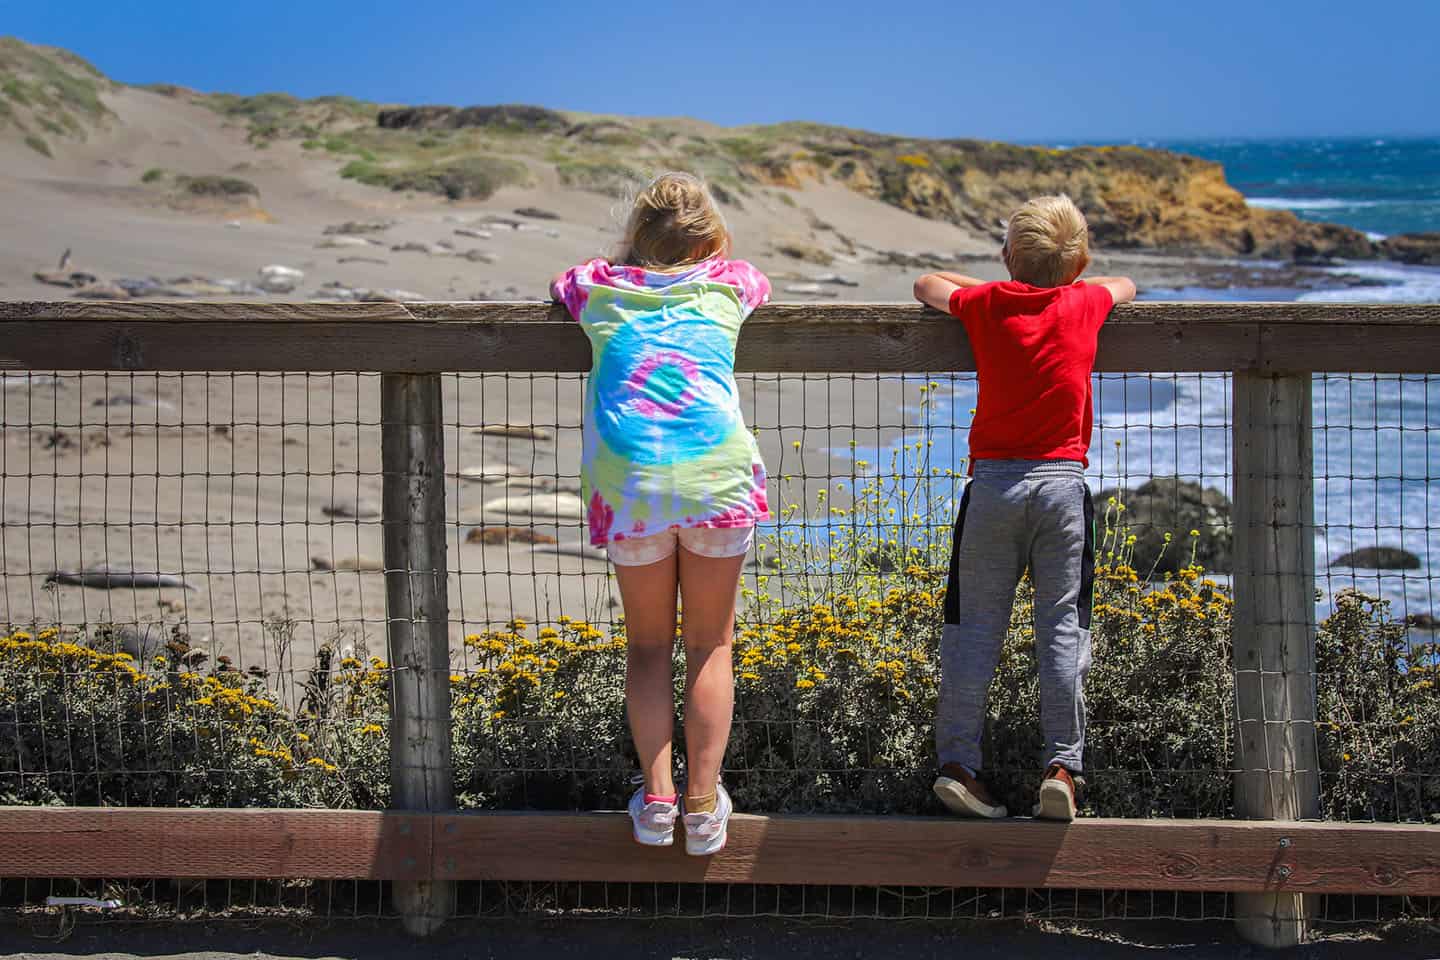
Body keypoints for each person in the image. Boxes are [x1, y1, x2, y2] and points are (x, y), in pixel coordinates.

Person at [550, 172, 771, 854]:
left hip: (633, 484)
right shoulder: (733, 283)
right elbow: (752, 278)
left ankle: (658, 802)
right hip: (715, 479)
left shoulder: (594, 288)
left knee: (648, 646)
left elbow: (566, 279)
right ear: (713, 240)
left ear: (634, 238)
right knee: (710, 644)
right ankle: (703, 808)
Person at [911, 195, 1137, 820]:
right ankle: (1063, 767)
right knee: (1062, 628)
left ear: (1009, 257)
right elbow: (1127, 283)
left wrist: (997, 282)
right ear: (1080, 259)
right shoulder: (1084, 302)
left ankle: (959, 764)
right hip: (1063, 486)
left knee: (972, 632)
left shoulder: (986, 304)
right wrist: (1064, 280)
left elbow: (925, 282)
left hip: (993, 489)